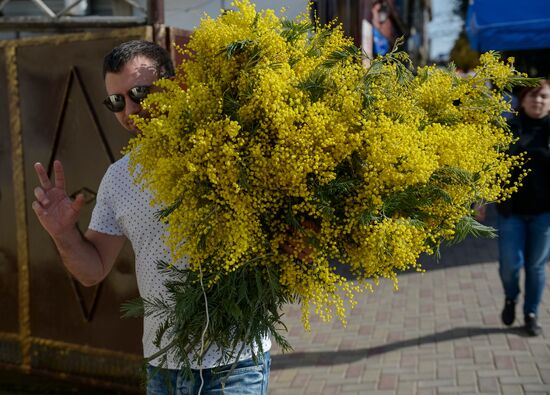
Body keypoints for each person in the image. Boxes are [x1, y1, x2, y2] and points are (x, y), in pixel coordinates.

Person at [31, 40, 271, 394]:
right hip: (163, 369)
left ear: (172, 85)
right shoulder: (118, 179)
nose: (130, 110)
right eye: (117, 101)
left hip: (235, 364)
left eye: (140, 93)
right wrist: (63, 233)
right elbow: (92, 270)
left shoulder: (226, 151)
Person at [496, 80, 550, 336]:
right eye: (533, 96)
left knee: (536, 265)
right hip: (511, 211)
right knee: (510, 264)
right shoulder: (507, 128)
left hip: (544, 213)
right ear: (522, 99)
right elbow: (491, 168)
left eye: (544, 97)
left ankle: (531, 313)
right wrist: (480, 200)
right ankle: (510, 297)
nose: (538, 101)